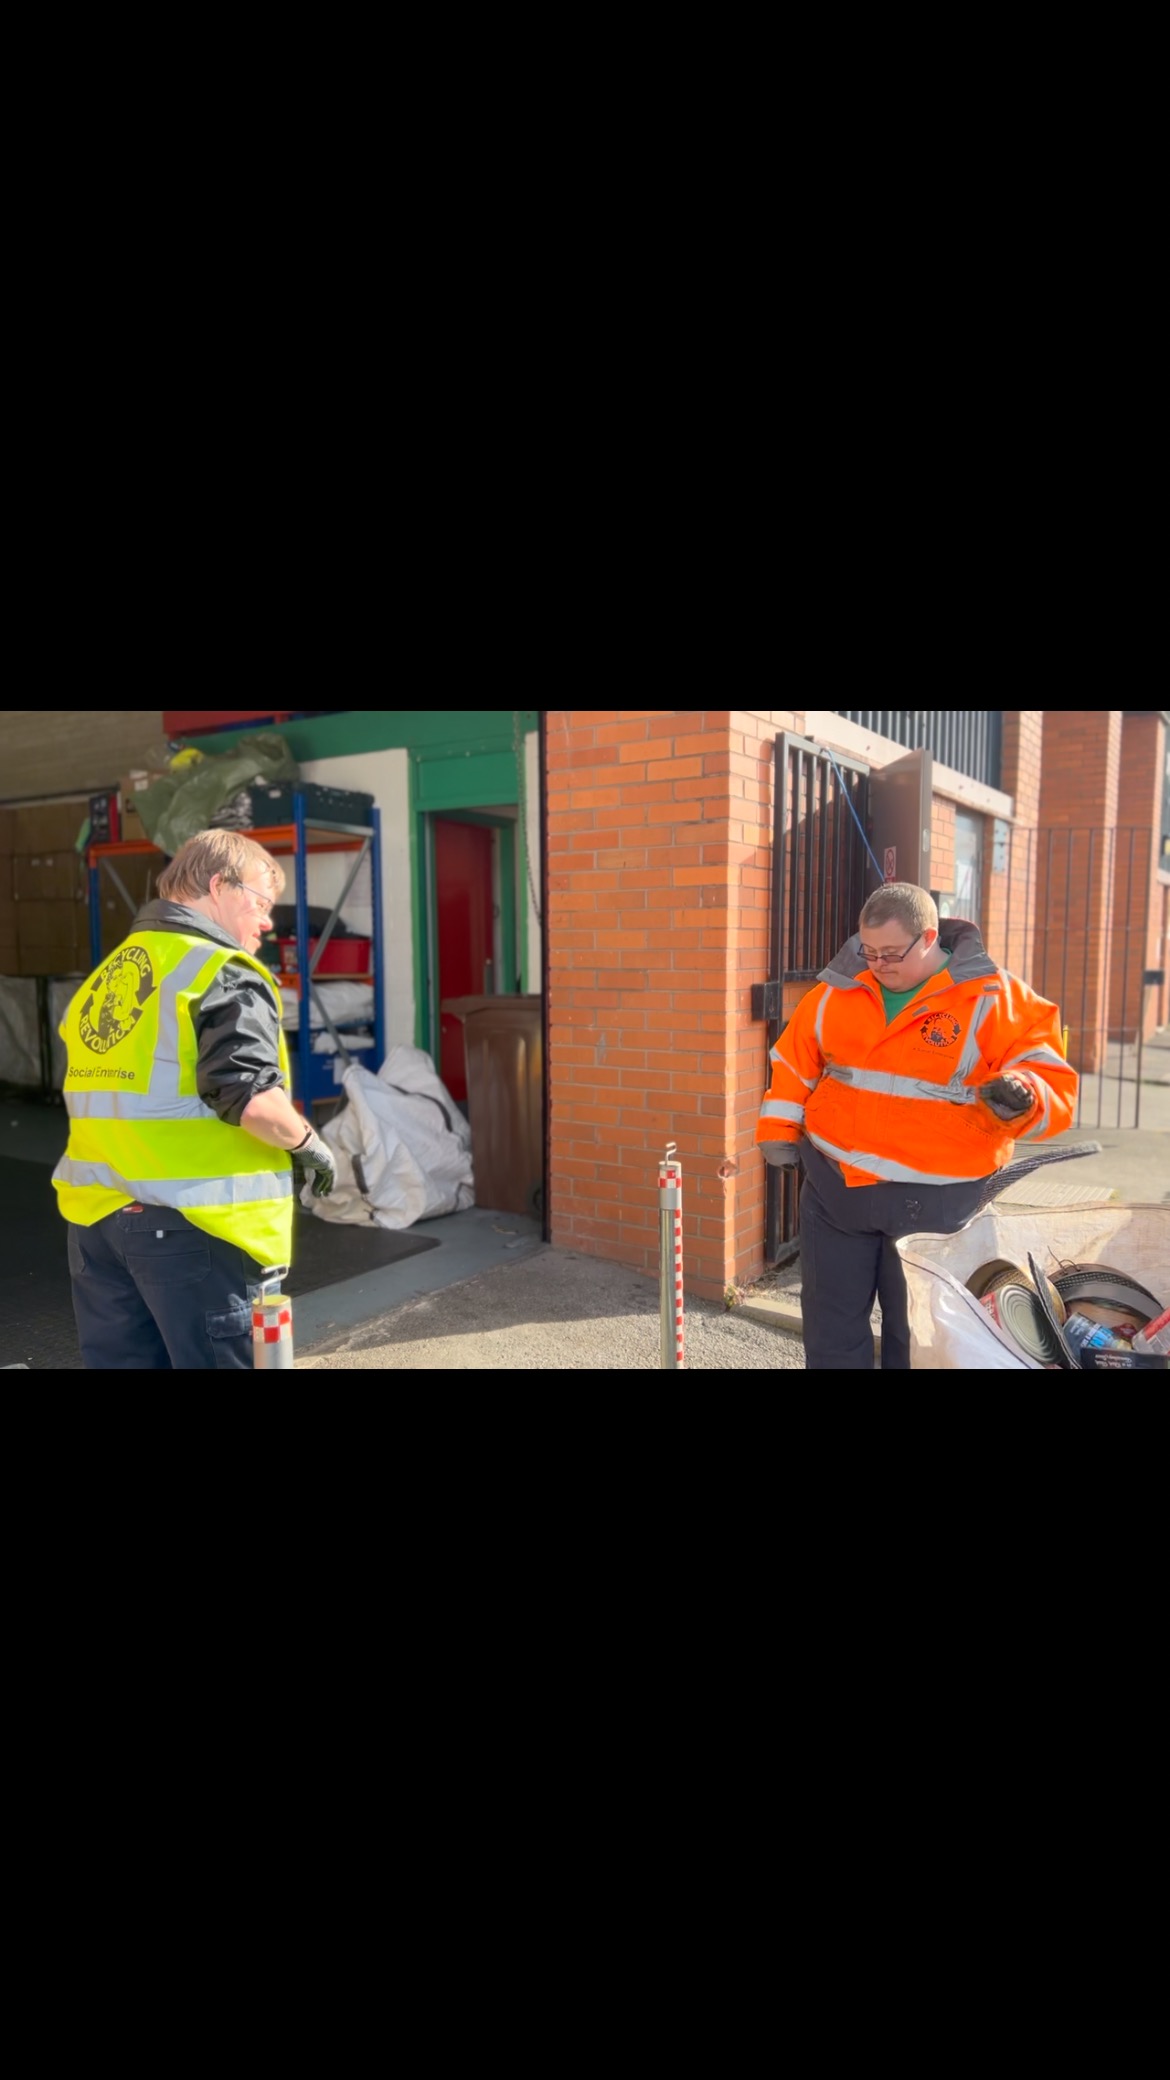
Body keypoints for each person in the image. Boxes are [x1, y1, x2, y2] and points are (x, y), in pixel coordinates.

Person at [755, 883, 1077, 1370]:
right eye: (869, 951)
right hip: (837, 1190)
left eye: (890, 953)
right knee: (830, 1329)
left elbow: (1051, 1078)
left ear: (929, 938)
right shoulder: (835, 992)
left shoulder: (995, 997)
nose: (877, 964)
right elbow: (794, 1063)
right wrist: (778, 1129)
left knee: (923, 1338)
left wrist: (1023, 1096)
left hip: (938, 1202)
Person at [52, 829, 337, 1369]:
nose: (267, 921)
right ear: (218, 886)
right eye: (261, 902)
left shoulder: (107, 976)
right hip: (192, 1230)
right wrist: (308, 1143)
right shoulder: (218, 969)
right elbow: (249, 1096)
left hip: (97, 1224)